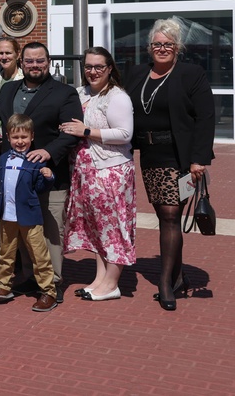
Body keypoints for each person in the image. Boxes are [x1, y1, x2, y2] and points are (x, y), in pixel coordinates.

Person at [124, 18, 215, 311]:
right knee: (165, 217)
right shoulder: (137, 74)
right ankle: (176, 277)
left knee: (171, 214)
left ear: (178, 48)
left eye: (168, 45)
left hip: (181, 157)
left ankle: (165, 283)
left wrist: (199, 159)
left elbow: (205, 118)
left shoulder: (191, 74)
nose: (162, 49)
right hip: (151, 156)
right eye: (157, 44)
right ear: (150, 48)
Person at [0, 41, 82, 302]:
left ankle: (51, 285)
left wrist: (48, 152)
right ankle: (31, 277)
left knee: (50, 232)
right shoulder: (8, 90)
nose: (34, 65)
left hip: (49, 176)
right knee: (22, 230)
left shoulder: (64, 93)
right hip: (16, 179)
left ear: (48, 62)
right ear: (21, 63)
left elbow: (71, 133)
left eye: (40, 60)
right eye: (29, 61)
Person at [60, 47, 136, 302]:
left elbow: (125, 134)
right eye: (88, 67)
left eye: (98, 67)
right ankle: (100, 279)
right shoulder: (81, 93)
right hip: (85, 173)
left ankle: (112, 282)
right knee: (96, 227)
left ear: (109, 69)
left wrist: (86, 131)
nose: (92, 72)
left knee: (114, 227)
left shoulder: (117, 97)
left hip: (111, 172)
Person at [0, 114, 58, 313]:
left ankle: (49, 292)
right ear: (8, 137)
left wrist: (49, 177)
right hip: (7, 215)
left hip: (29, 217)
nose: (20, 141)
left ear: (32, 137)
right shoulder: (4, 157)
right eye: (16, 137)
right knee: (6, 253)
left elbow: (40, 187)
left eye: (24, 137)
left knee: (39, 255)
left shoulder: (35, 160)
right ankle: (4, 286)